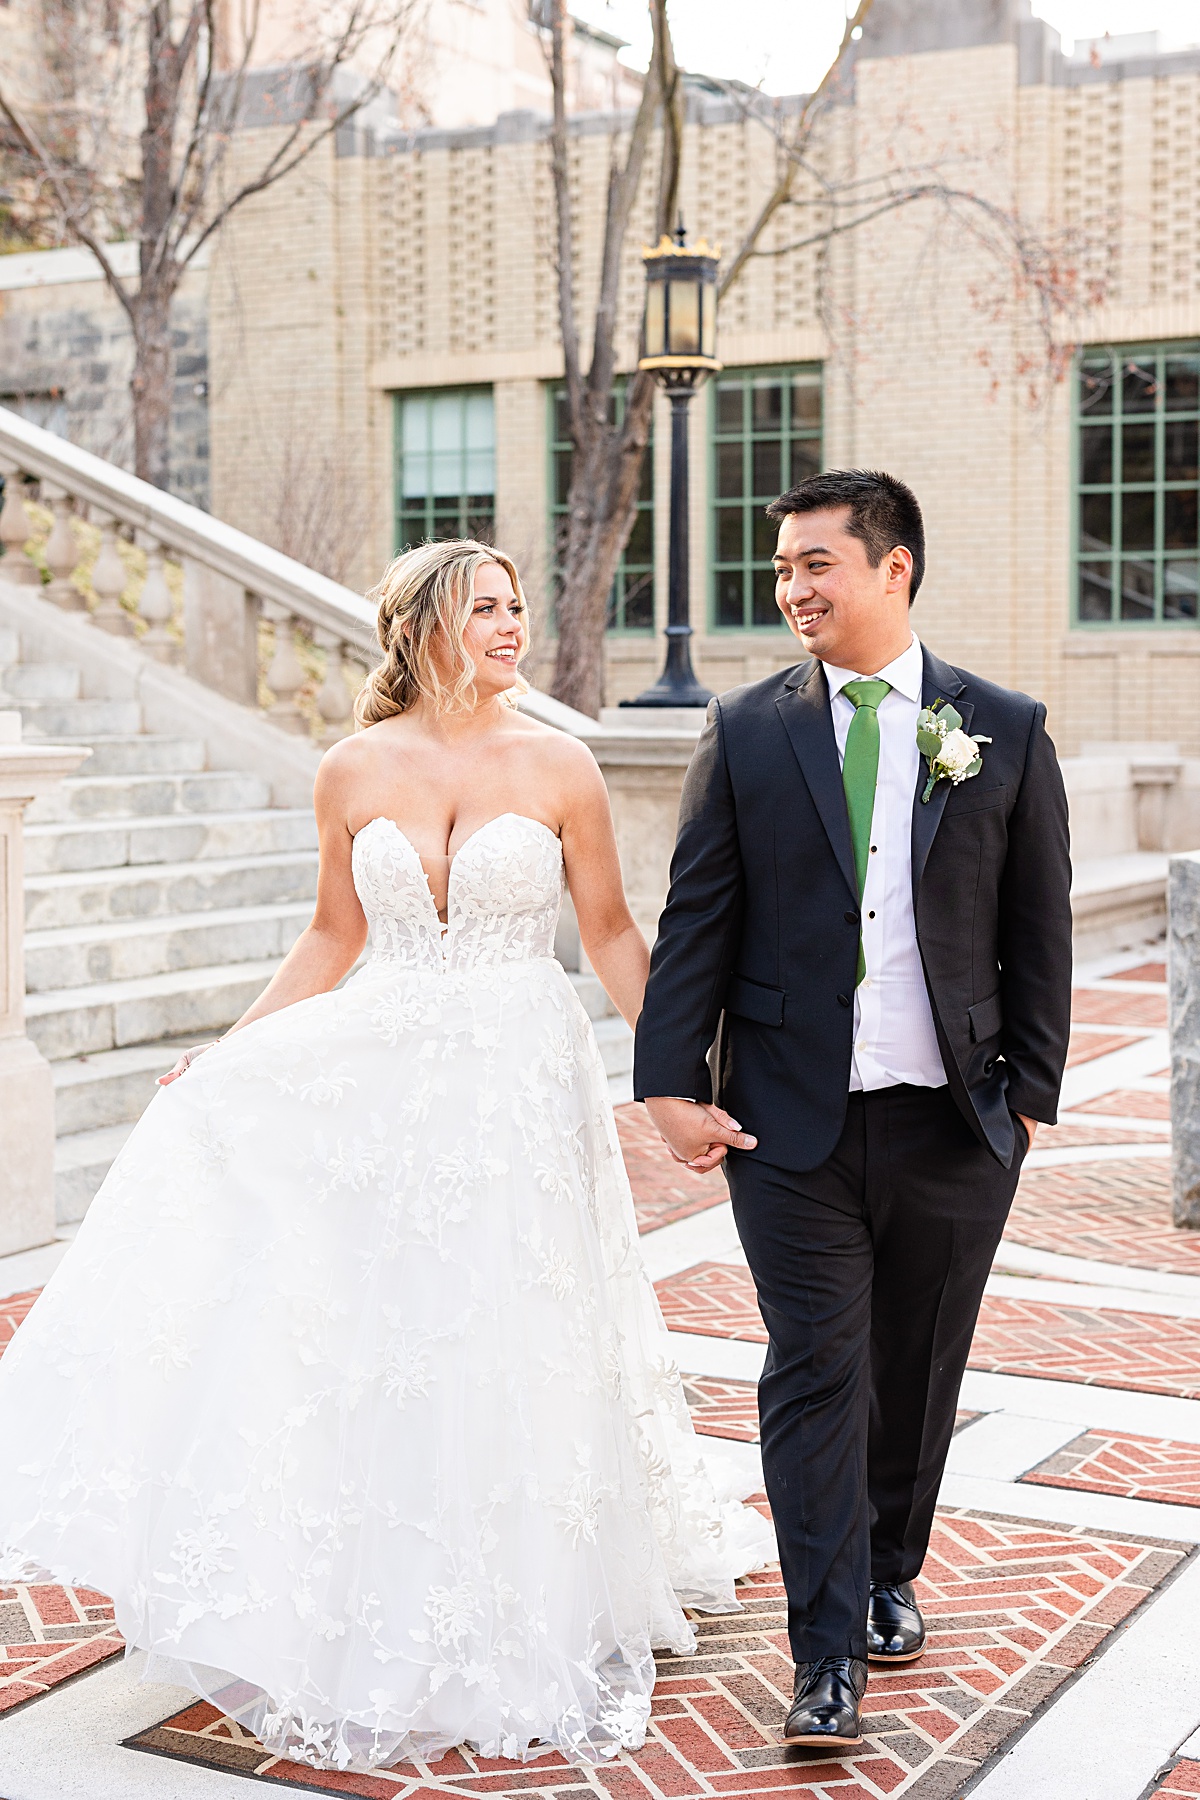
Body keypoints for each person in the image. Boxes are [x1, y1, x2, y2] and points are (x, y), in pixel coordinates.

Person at [0, 538, 772, 1774]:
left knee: (513, 1320)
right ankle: (372, 1571)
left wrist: (684, 1082)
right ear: (422, 627)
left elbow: (617, 933)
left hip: (521, 1078)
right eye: (489, 609)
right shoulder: (351, 767)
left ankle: (530, 1575)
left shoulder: (561, 761)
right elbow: (328, 938)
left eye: (519, 607)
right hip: (388, 1077)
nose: (513, 627)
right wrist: (227, 1056)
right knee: (394, 1331)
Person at [634, 470, 1072, 1750]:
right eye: (781, 569)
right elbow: (699, 913)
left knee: (917, 1367)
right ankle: (823, 1652)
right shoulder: (749, 729)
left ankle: (889, 1567)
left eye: (816, 564)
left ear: (894, 569)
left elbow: (1035, 920)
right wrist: (670, 1079)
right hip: (787, 1123)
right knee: (815, 1373)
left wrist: (1030, 1096)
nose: (792, 590)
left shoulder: (1001, 724)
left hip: (953, 1118)